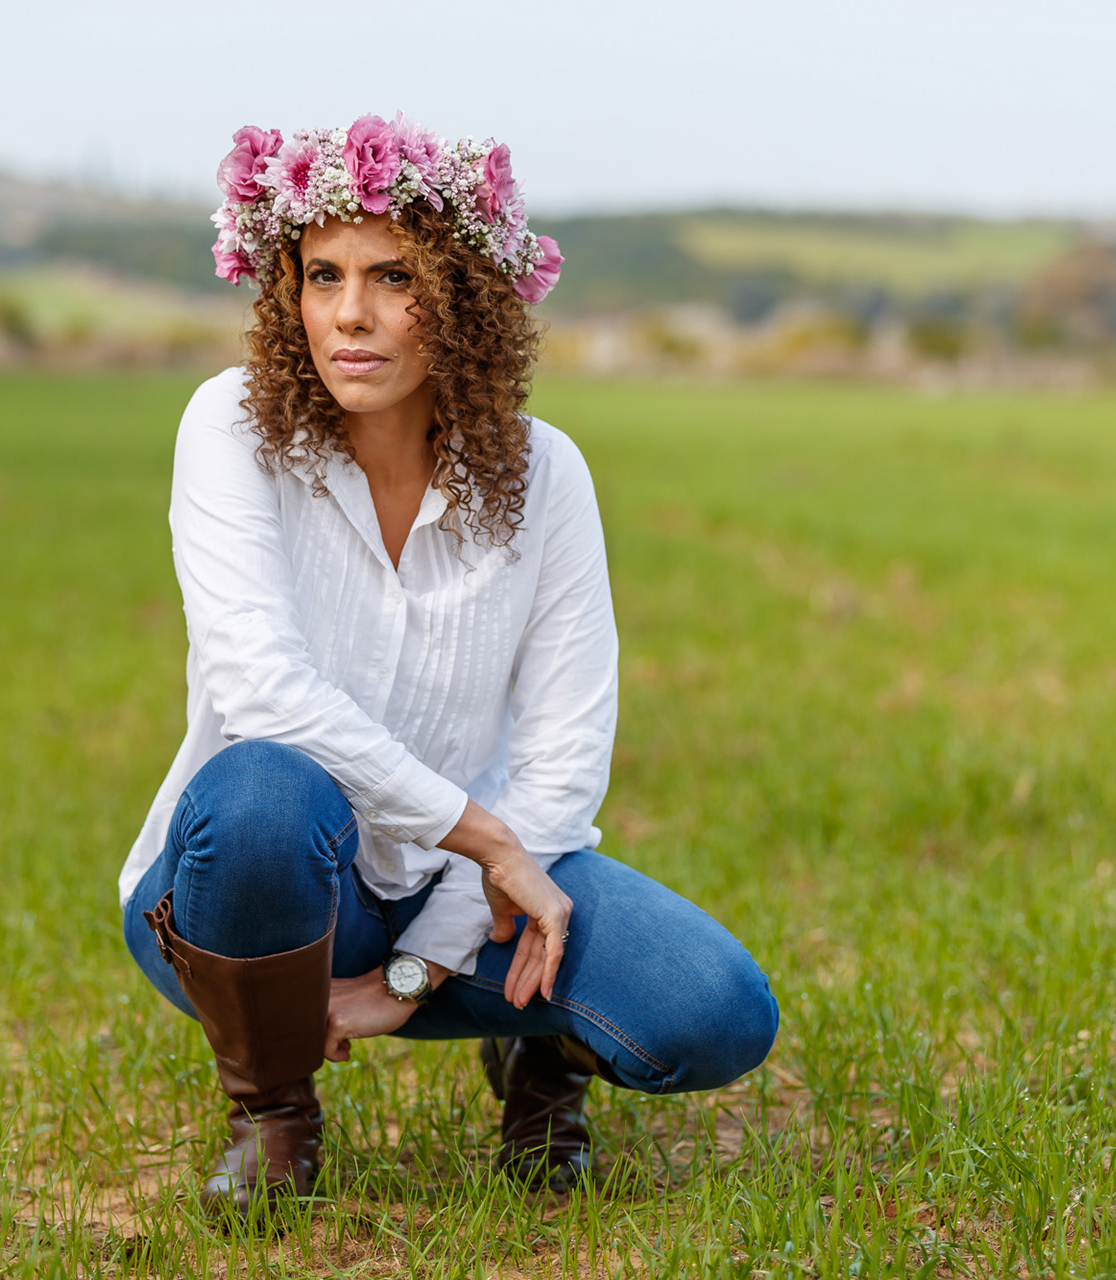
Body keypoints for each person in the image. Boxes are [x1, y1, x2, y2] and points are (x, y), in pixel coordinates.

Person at [117, 115, 778, 1217]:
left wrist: (418, 964)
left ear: (465, 297)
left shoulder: (546, 476)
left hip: (469, 900)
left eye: (393, 277)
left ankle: (539, 1057)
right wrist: (485, 834)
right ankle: (273, 1110)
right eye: (322, 275)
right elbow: (263, 690)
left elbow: (563, 757)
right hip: (259, 897)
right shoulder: (230, 425)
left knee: (715, 1007)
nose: (350, 313)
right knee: (264, 787)